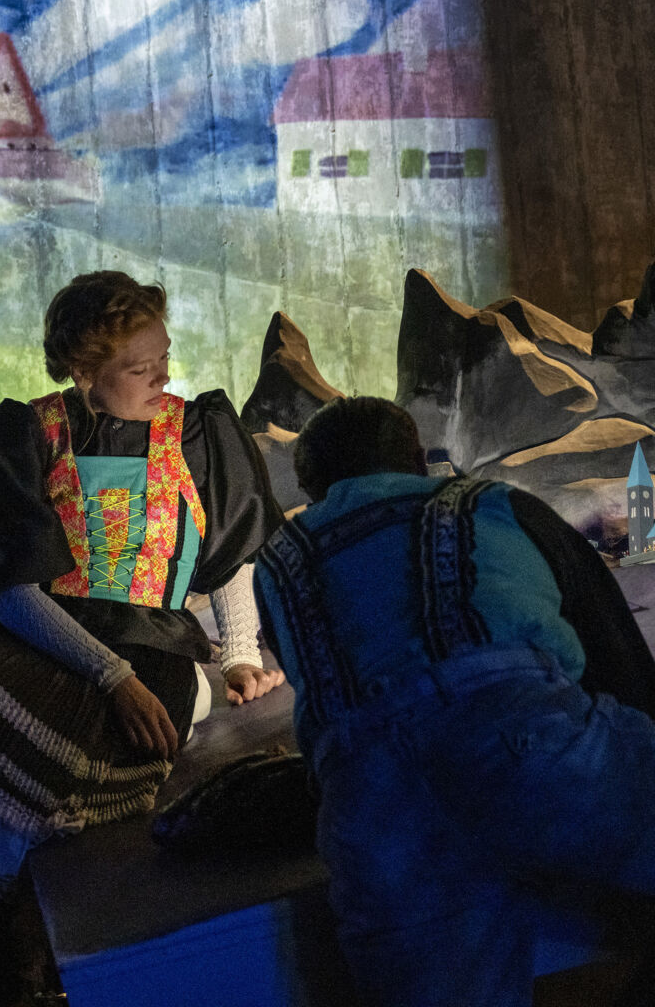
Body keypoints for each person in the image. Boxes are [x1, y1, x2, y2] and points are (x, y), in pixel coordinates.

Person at [0, 271, 287, 1006]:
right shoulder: (32, 432)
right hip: (42, 637)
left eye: (164, 357)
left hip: (152, 646)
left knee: (10, 750)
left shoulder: (195, 431)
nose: (163, 376)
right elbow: (12, 587)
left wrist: (241, 654)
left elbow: (230, 559)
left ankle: (9, 945)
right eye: (140, 367)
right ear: (85, 372)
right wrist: (107, 675)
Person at [252, 396, 655, 1007]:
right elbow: (610, 643)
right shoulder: (491, 505)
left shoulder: (277, 565)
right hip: (528, 745)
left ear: (309, 488)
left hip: (374, 809)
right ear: (419, 458)